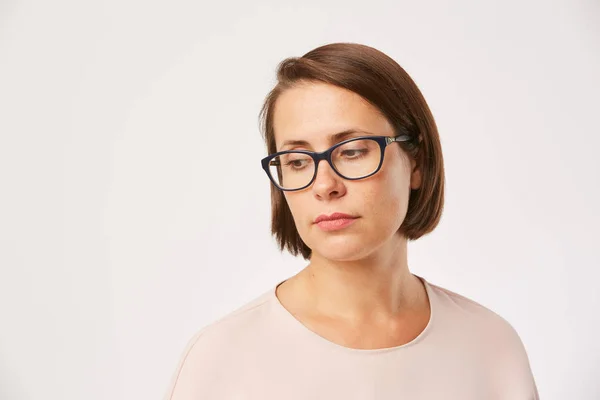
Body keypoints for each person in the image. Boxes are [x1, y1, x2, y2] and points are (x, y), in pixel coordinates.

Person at [163, 42, 539, 399]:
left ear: (417, 164)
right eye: (297, 161)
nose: (325, 185)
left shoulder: (490, 347)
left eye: (353, 151)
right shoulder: (222, 359)